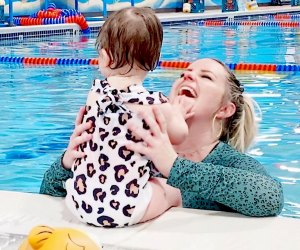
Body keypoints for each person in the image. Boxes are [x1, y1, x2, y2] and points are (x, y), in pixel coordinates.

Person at [40, 58, 284, 218]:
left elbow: (270, 199)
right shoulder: (132, 144)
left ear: (224, 109)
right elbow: (46, 197)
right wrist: (67, 163)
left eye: (205, 77)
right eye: (184, 74)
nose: (187, 77)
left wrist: (174, 166)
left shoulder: (227, 161)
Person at [63, 7, 189, 228]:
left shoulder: (95, 93)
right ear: (153, 59)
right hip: (127, 208)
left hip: (78, 201)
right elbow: (180, 135)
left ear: (106, 57)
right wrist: (175, 109)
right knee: (174, 189)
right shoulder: (155, 104)